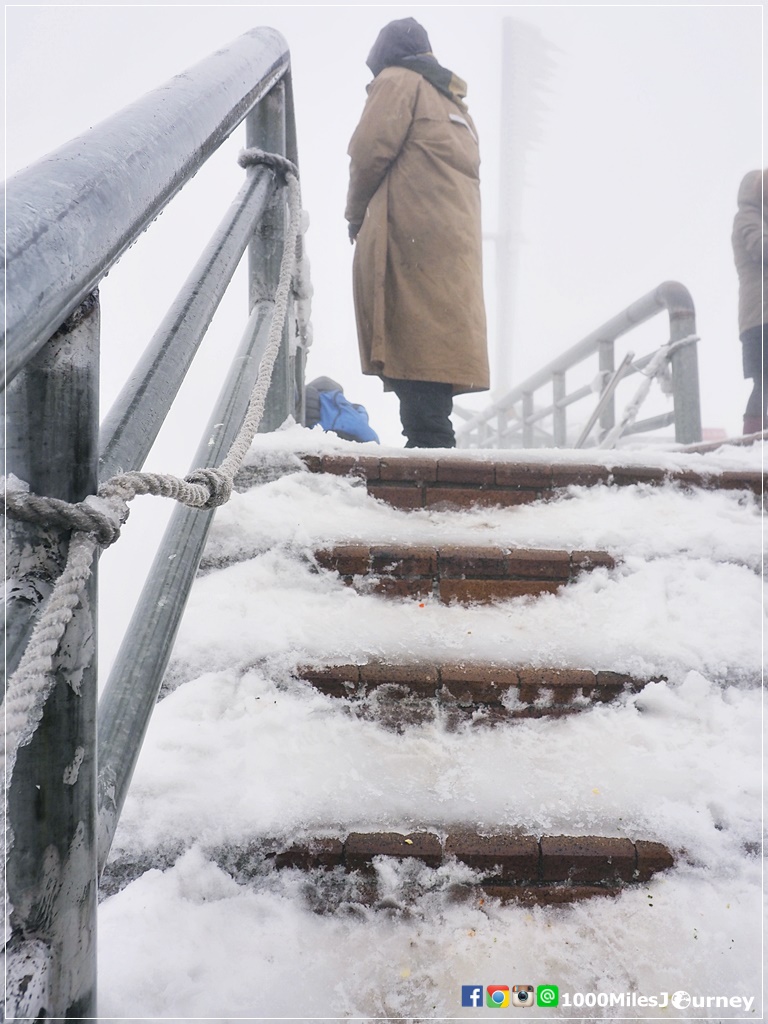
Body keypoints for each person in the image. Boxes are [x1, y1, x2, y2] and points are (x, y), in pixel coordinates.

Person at [345, 17, 490, 449]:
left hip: (409, 238)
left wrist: (354, 216)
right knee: (435, 345)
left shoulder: (397, 81)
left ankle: (430, 457)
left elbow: (367, 153)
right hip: (451, 248)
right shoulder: (456, 105)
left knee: (409, 338)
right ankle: (433, 444)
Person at [732, 168, 767, 435]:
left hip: (758, 315)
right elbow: (760, 248)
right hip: (760, 316)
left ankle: (754, 441)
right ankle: (753, 443)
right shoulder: (748, 217)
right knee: (764, 381)